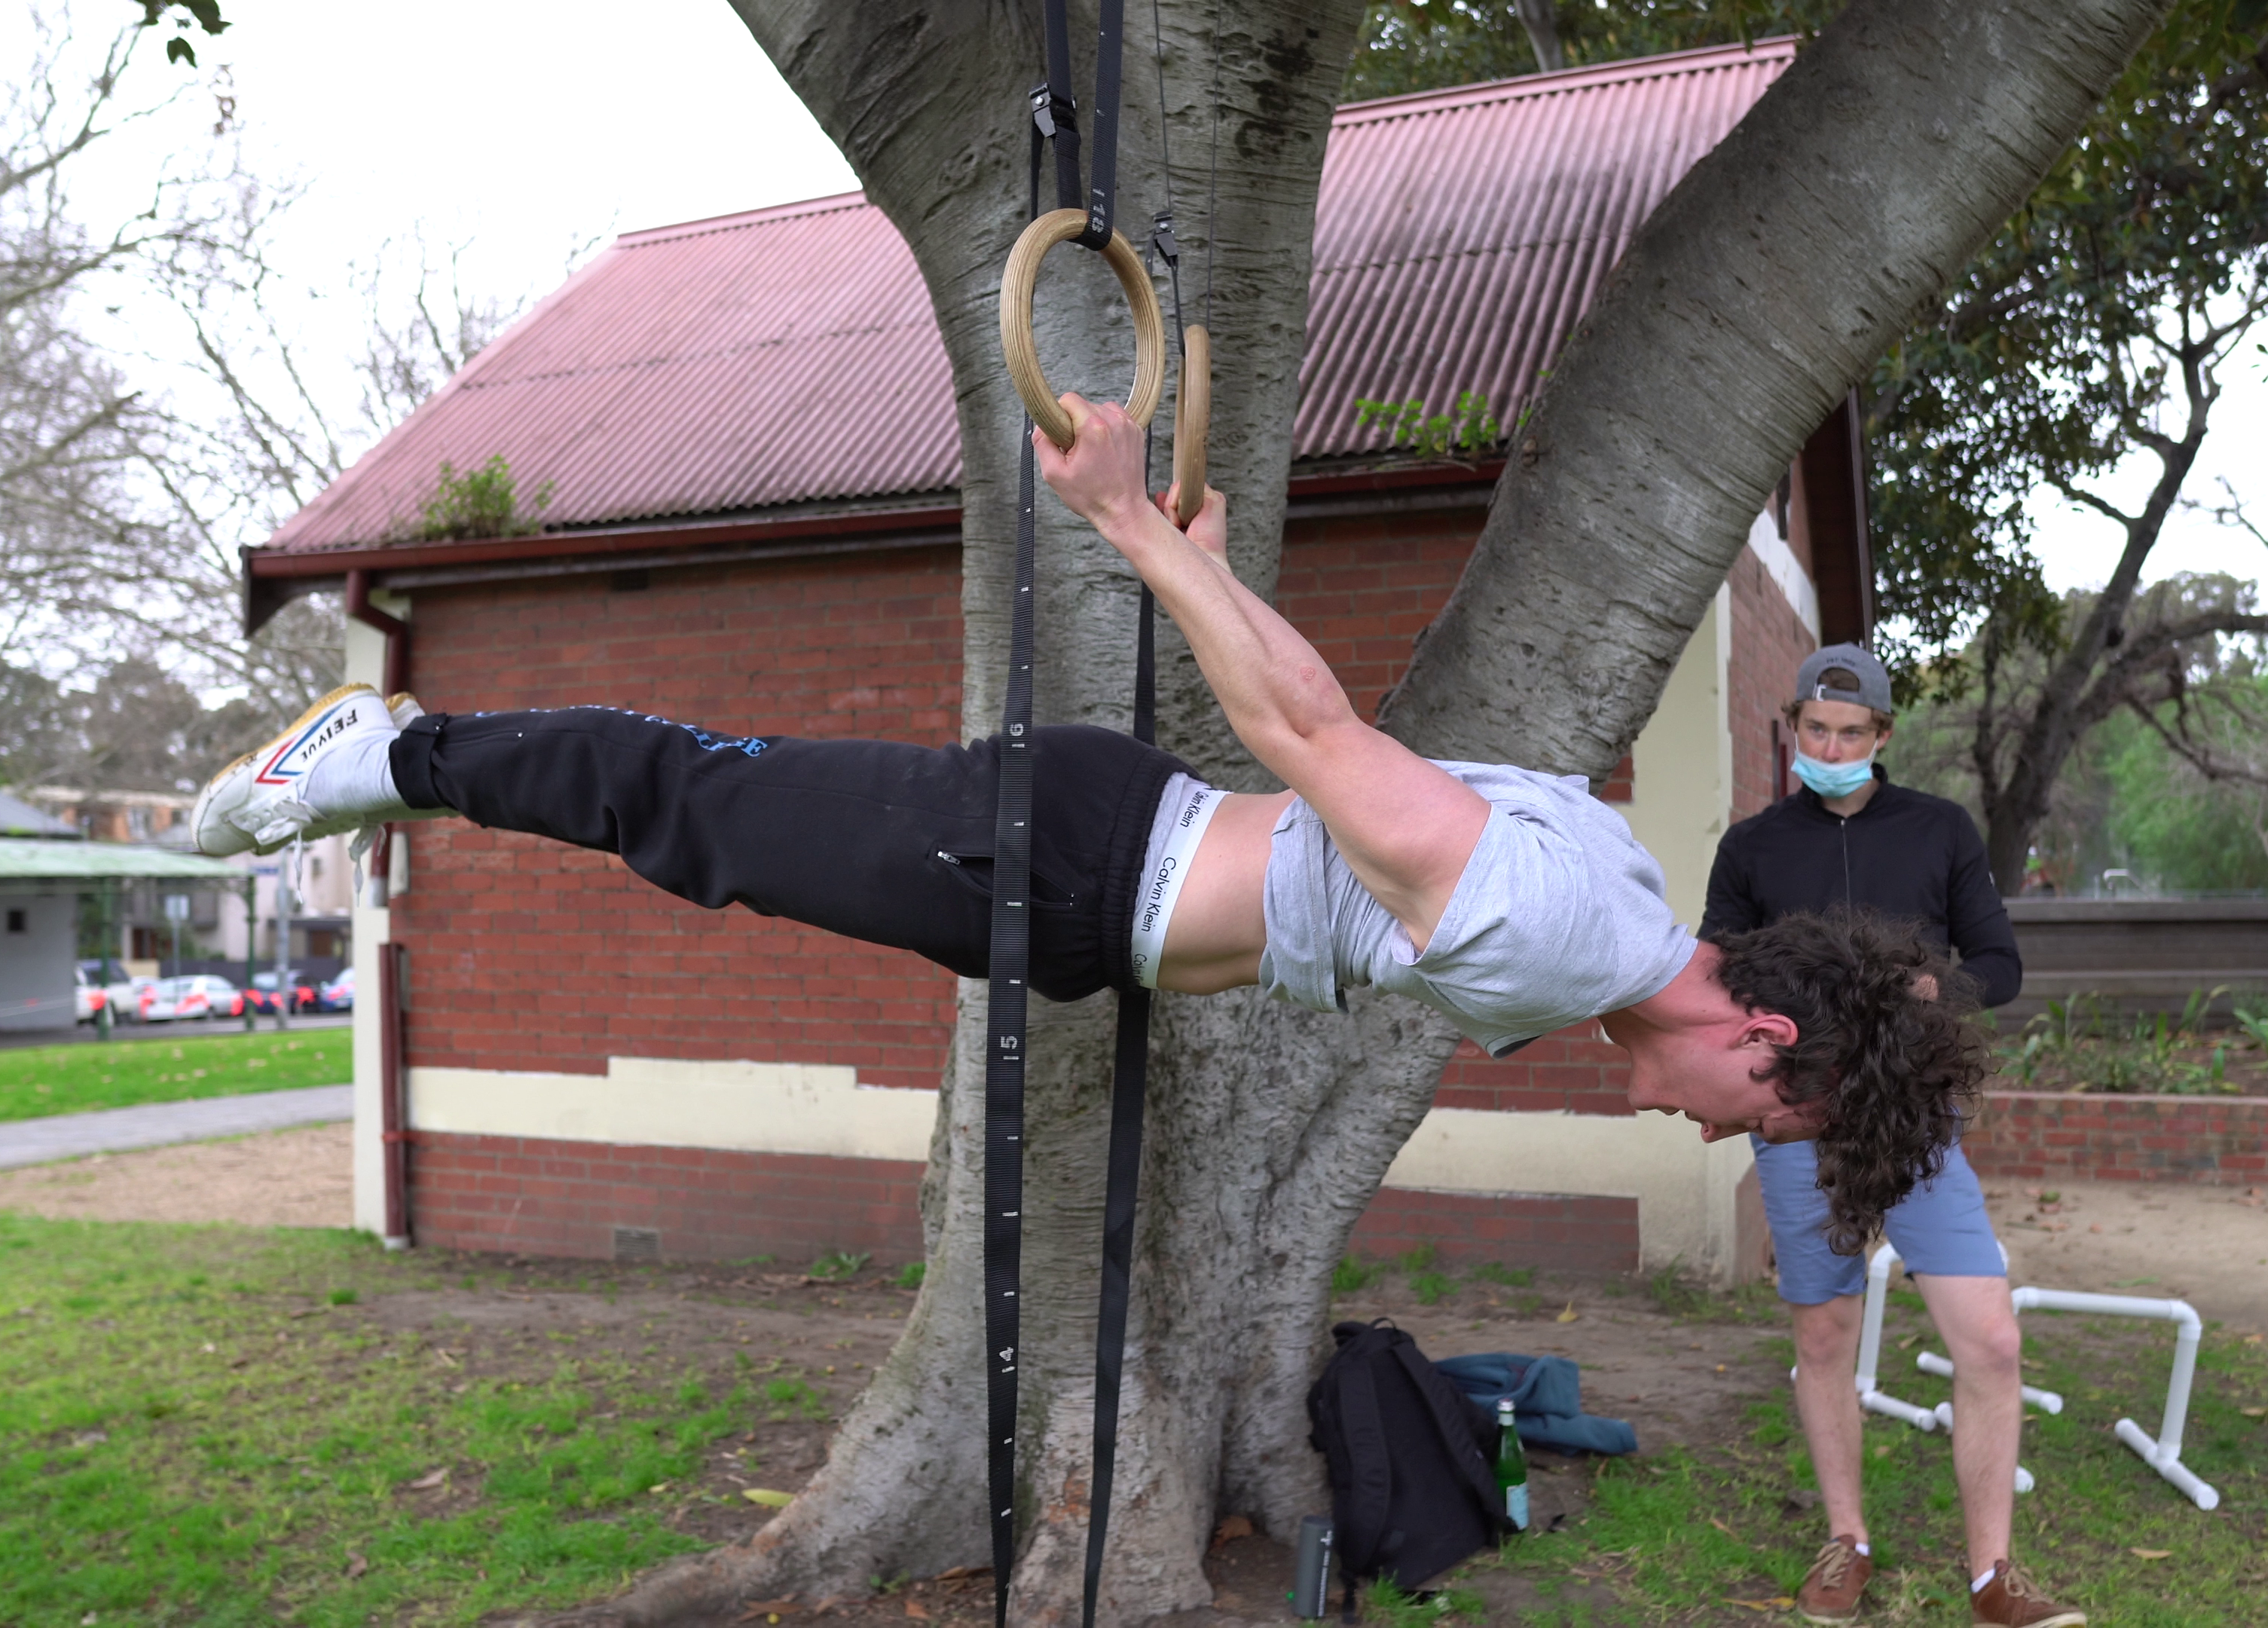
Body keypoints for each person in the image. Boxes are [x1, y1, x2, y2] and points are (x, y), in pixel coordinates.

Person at [194, 395, 1986, 1241]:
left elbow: (1357, 761)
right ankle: (394, 751)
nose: (1714, 1138)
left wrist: (1200, 564)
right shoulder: (1560, 930)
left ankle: (410, 758)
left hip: (1088, 885)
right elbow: (1314, 729)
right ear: (1759, 1032)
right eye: (1772, 1122)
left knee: (717, 823)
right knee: (702, 812)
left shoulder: (1623, 883)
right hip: (1064, 857)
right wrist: (1133, 527)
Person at [1701, 646, 2077, 1628]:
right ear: (1794, 729)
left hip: (1912, 1116)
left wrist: (1932, 987)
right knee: (1824, 1332)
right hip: (1798, 1121)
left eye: (1850, 733)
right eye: (1814, 731)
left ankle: (1994, 1575)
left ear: (1883, 738)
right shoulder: (1751, 848)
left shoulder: (1940, 832)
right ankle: (1847, 1539)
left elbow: (1999, 963)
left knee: (1990, 1342)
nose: (1830, 747)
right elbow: (1714, 973)